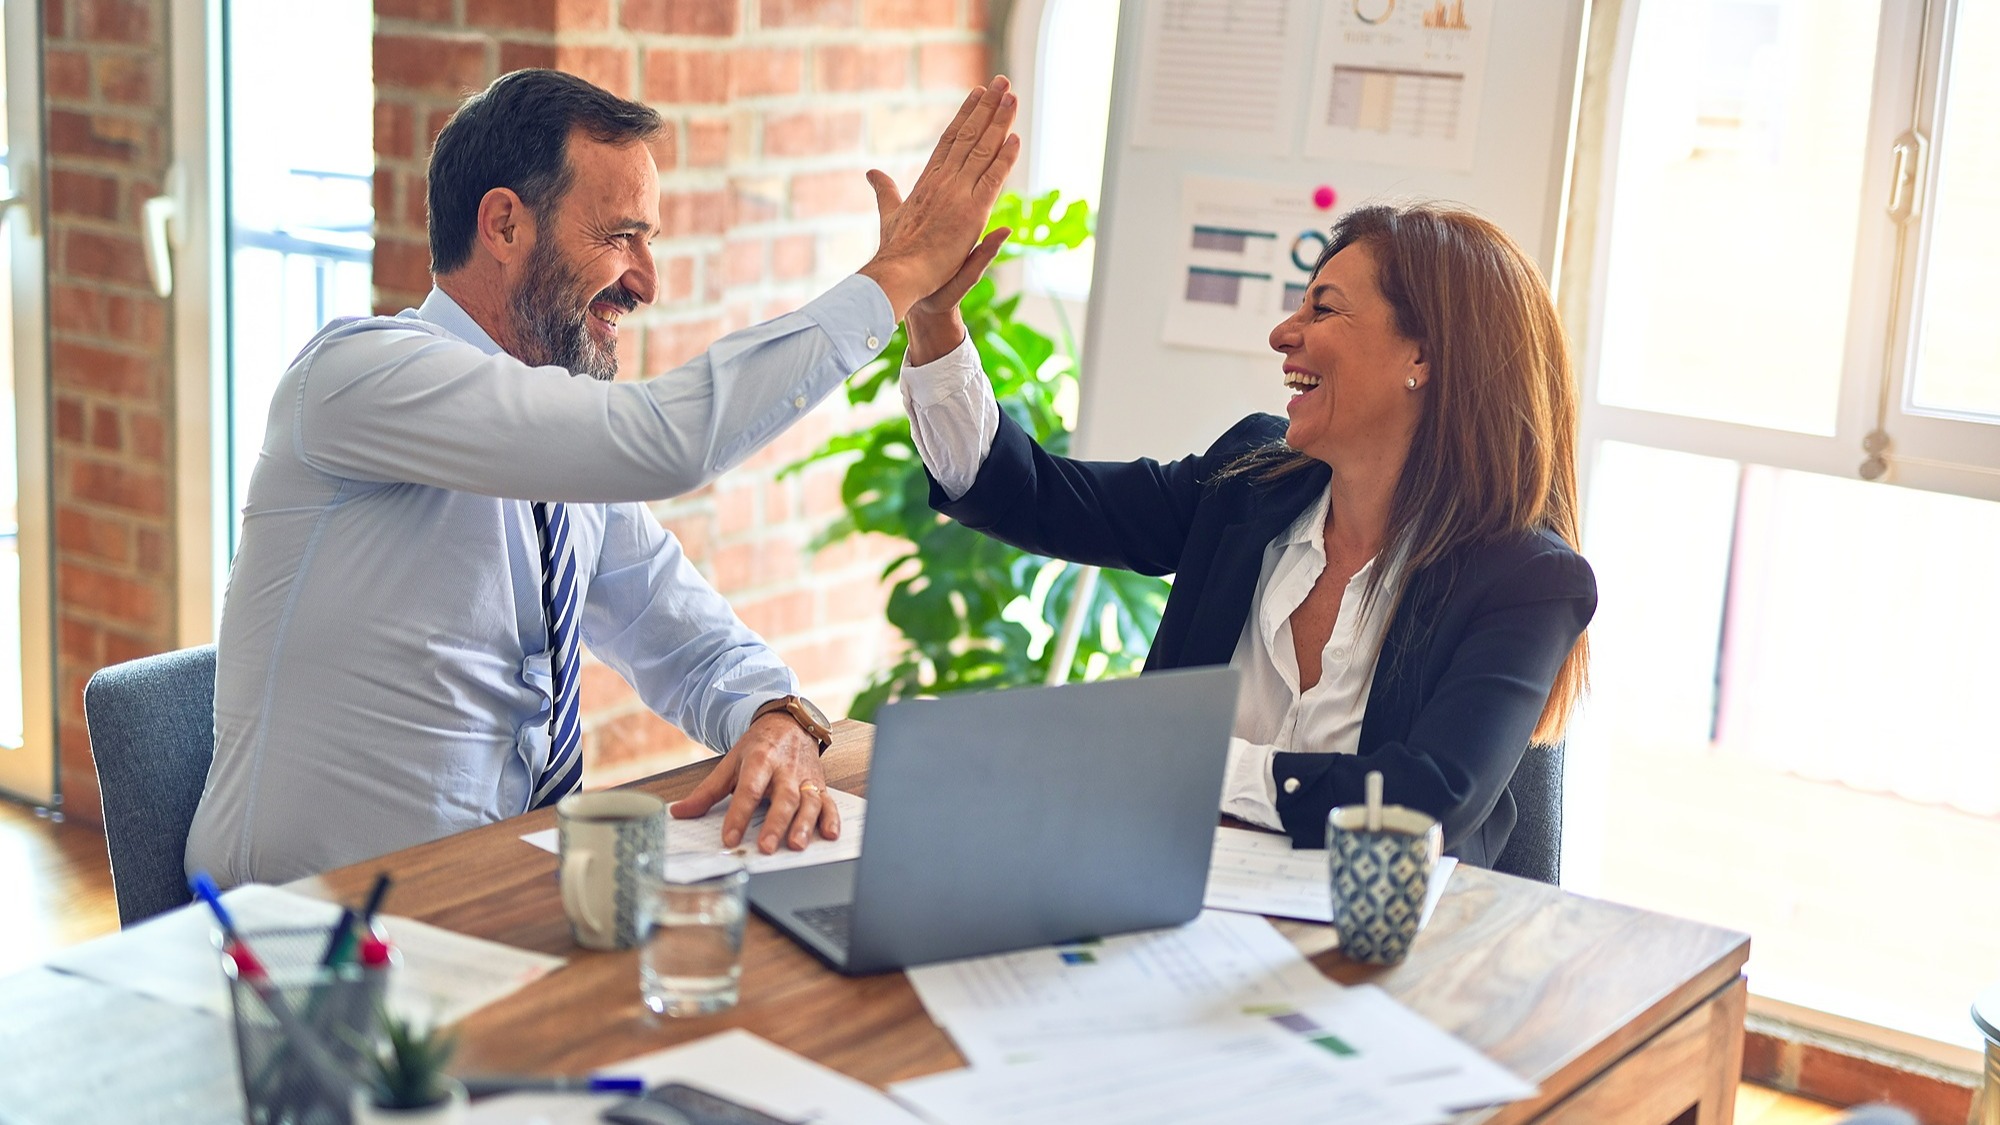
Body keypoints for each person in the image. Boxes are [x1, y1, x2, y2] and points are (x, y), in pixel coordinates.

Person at [186, 68, 1020, 886]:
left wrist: (777, 715)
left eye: (648, 241)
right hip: (304, 941)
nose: (646, 282)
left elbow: (683, 633)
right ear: (505, 226)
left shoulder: (559, 456)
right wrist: (898, 276)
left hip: (496, 903)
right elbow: (666, 441)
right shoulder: (358, 377)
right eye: (622, 235)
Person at [898, 201, 1595, 866]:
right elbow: (1034, 496)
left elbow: (1423, 803)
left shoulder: (1526, 580)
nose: (1283, 334)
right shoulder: (1249, 483)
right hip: (1169, 900)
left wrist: (1189, 761)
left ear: (1423, 356)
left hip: (1383, 954)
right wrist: (934, 322)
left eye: (1322, 308)